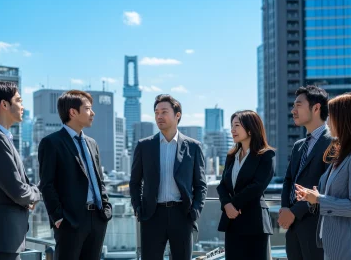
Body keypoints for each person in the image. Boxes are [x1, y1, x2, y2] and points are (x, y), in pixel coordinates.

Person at [129, 94, 207, 260]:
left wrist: (195, 211)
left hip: (182, 214)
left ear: (177, 115)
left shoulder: (193, 147)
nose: (159, 116)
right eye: (156, 112)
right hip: (152, 215)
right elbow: (135, 182)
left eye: (164, 112)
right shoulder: (144, 145)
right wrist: (137, 208)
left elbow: (200, 185)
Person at [296, 92, 351, 260]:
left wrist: (319, 199)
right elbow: (330, 199)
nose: (327, 121)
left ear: (345, 119)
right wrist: (311, 198)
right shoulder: (341, 158)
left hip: (350, 248)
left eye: (331, 116)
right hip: (333, 246)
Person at [38, 90, 112, 260]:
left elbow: (99, 181)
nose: (92, 113)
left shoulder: (92, 143)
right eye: (87, 109)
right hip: (70, 222)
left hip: (97, 218)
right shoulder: (52, 143)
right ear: (73, 112)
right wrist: (58, 217)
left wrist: (106, 209)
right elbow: (46, 184)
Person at [0, 82, 41, 260]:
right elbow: (17, 189)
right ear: (4, 104)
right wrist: (35, 194)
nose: (22, 106)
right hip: (2, 236)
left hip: (5, 237)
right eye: (18, 100)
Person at [279, 85, 332, 260]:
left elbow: (327, 185)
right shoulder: (298, 145)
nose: (293, 110)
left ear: (316, 108)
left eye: (298, 105)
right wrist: (286, 208)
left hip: (317, 227)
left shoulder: (333, 142)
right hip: (293, 229)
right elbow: (288, 180)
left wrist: (294, 212)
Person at [217, 110, 275, 260]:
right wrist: (226, 205)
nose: (232, 130)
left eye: (237, 125)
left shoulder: (266, 155)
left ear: (250, 128)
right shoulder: (231, 156)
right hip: (232, 222)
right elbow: (222, 185)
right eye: (231, 126)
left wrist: (233, 205)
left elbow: (257, 186)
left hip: (254, 223)